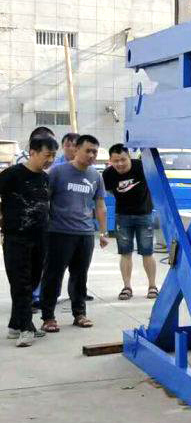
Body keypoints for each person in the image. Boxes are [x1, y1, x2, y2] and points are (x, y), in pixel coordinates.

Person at [40, 135, 108, 332]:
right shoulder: (58, 172)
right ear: (76, 150)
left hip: (85, 234)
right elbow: (44, 200)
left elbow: (100, 205)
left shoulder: (96, 176)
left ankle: (79, 314)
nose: (91, 155)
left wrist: (103, 232)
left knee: (80, 276)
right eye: (88, 150)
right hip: (59, 232)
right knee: (53, 275)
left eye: (95, 152)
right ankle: (48, 317)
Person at [0, 134, 58, 347]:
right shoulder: (11, 175)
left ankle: (15, 325)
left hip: (40, 238)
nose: (50, 160)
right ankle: (27, 328)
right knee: (21, 283)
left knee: (32, 282)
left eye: (53, 156)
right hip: (17, 238)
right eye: (47, 155)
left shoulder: (44, 178)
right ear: (32, 152)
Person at [103, 144, 158, 300]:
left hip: (144, 215)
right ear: (110, 161)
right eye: (116, 161)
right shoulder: (108, 174)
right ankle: (127, 287)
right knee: (125, 253)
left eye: (123, 160)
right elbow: (109, 191)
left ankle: (152, 286)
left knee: (147, 252)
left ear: (129, 157)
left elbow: (155, 182)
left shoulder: (141, 167)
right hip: (123, 216)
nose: (120, 164)